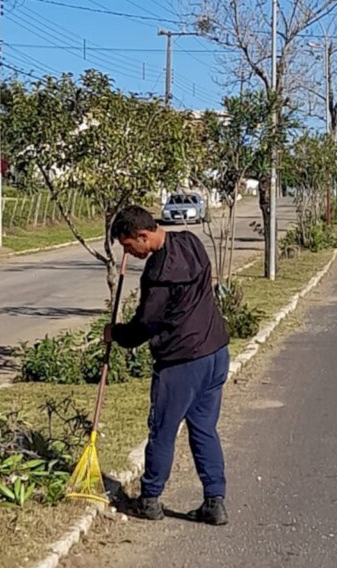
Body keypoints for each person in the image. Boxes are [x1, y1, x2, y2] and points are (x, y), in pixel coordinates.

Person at [105, 205, 230, 526]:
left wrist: (116, 333)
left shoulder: (158, 274)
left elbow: (146, 325)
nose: (129, 254)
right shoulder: (191, 242)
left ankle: (149, 500)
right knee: (204, 427)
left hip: (182, 362)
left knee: (162, 430)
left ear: (143, 235)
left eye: (129, 246)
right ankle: (214, 502)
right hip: (215, 352)